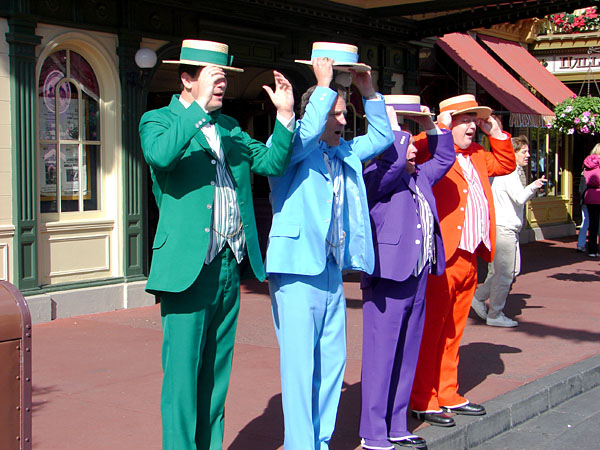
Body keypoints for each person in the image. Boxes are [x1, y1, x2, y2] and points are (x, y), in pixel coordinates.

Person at [139, 39, 295, 450]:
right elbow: (160, 156)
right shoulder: (158, 120)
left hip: (229, 264)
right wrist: (196, 110)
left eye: (224, 77)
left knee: (215, 378)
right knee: (182, 380)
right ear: (187, 79)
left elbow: (272, 163)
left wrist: (284, 116)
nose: (221, 84)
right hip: (188, 268)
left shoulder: (230, 128)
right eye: (213, 76)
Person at [265, 43, 394, 450]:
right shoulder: (292, 152)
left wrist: (368, 93)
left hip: (331, 270)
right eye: (336, 114)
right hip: (297, 271)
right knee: (300, 368)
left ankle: (318, 441)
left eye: (344, 113)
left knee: (332, 364)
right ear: (317, 114)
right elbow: (298, 139)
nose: (343, 120)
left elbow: (383, 135)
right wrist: (322, 87)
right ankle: (301, 445)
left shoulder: (346, 153)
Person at [410, 94, 516, 427]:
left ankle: (448, 392)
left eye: (474, 120)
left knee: (454, 330)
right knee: (432, 330)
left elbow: (508, 163)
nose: (471, 126)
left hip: (471, 256)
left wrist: (495, 130)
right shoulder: (434, 150)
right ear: (449, 123)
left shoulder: (480, 156)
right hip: (444, 256)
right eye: (464, 120)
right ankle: (422, 397)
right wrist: (437, 128)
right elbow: (412, 146)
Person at [359, 95, 455, 450]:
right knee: (380, 358)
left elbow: (445, 156)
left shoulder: (421, 177)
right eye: (407, 145)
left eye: (414, 145)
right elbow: (395, 161)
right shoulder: (377, 175)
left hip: (416, 276)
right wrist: (394, 127)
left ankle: (397, 424)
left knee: (405, 353)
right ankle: (373, 432)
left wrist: (430, 125)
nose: (414, 151)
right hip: (388, 278)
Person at [471, 135, 546, 327]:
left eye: (528, 151)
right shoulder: (510, 172)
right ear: (513, 153)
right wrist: (534, 186)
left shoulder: (506, 171)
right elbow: (520, 198)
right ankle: (495, 313)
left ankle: (479, 298)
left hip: (506, 228)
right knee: (504, 274)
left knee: (509, 271)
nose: (528, 155)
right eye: (524, 151)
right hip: (504, 228)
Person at [577, 144, 600, 253]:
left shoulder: (587, 165)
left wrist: (582, 197)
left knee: (586, 222)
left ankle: (583, 245)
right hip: (598, 195)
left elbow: (583, 183)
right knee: (596, 223)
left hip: (587, 197)